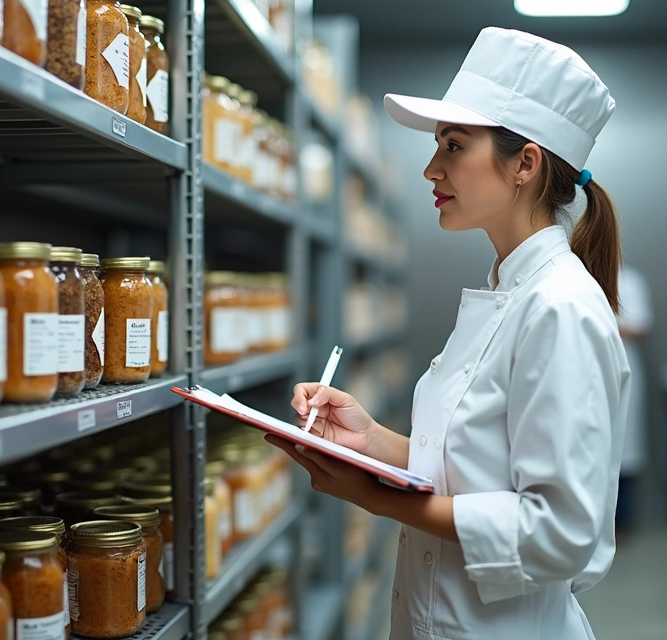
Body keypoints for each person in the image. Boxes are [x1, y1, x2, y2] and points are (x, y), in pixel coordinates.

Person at [264, 28, 630, 639]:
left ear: (525, 164)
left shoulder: (559, 307)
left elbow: (559, 532)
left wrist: (378, 500)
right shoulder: (504, 291)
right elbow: (477, 468)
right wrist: (372, 440)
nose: (432, 168)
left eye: (454, 145)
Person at [616, 264, 652, 538]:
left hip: (625, 366)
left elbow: (641, 325)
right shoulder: (576, 273)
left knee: (625, 450)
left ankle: (621, 524)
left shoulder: (631, 280)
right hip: (585, 370)